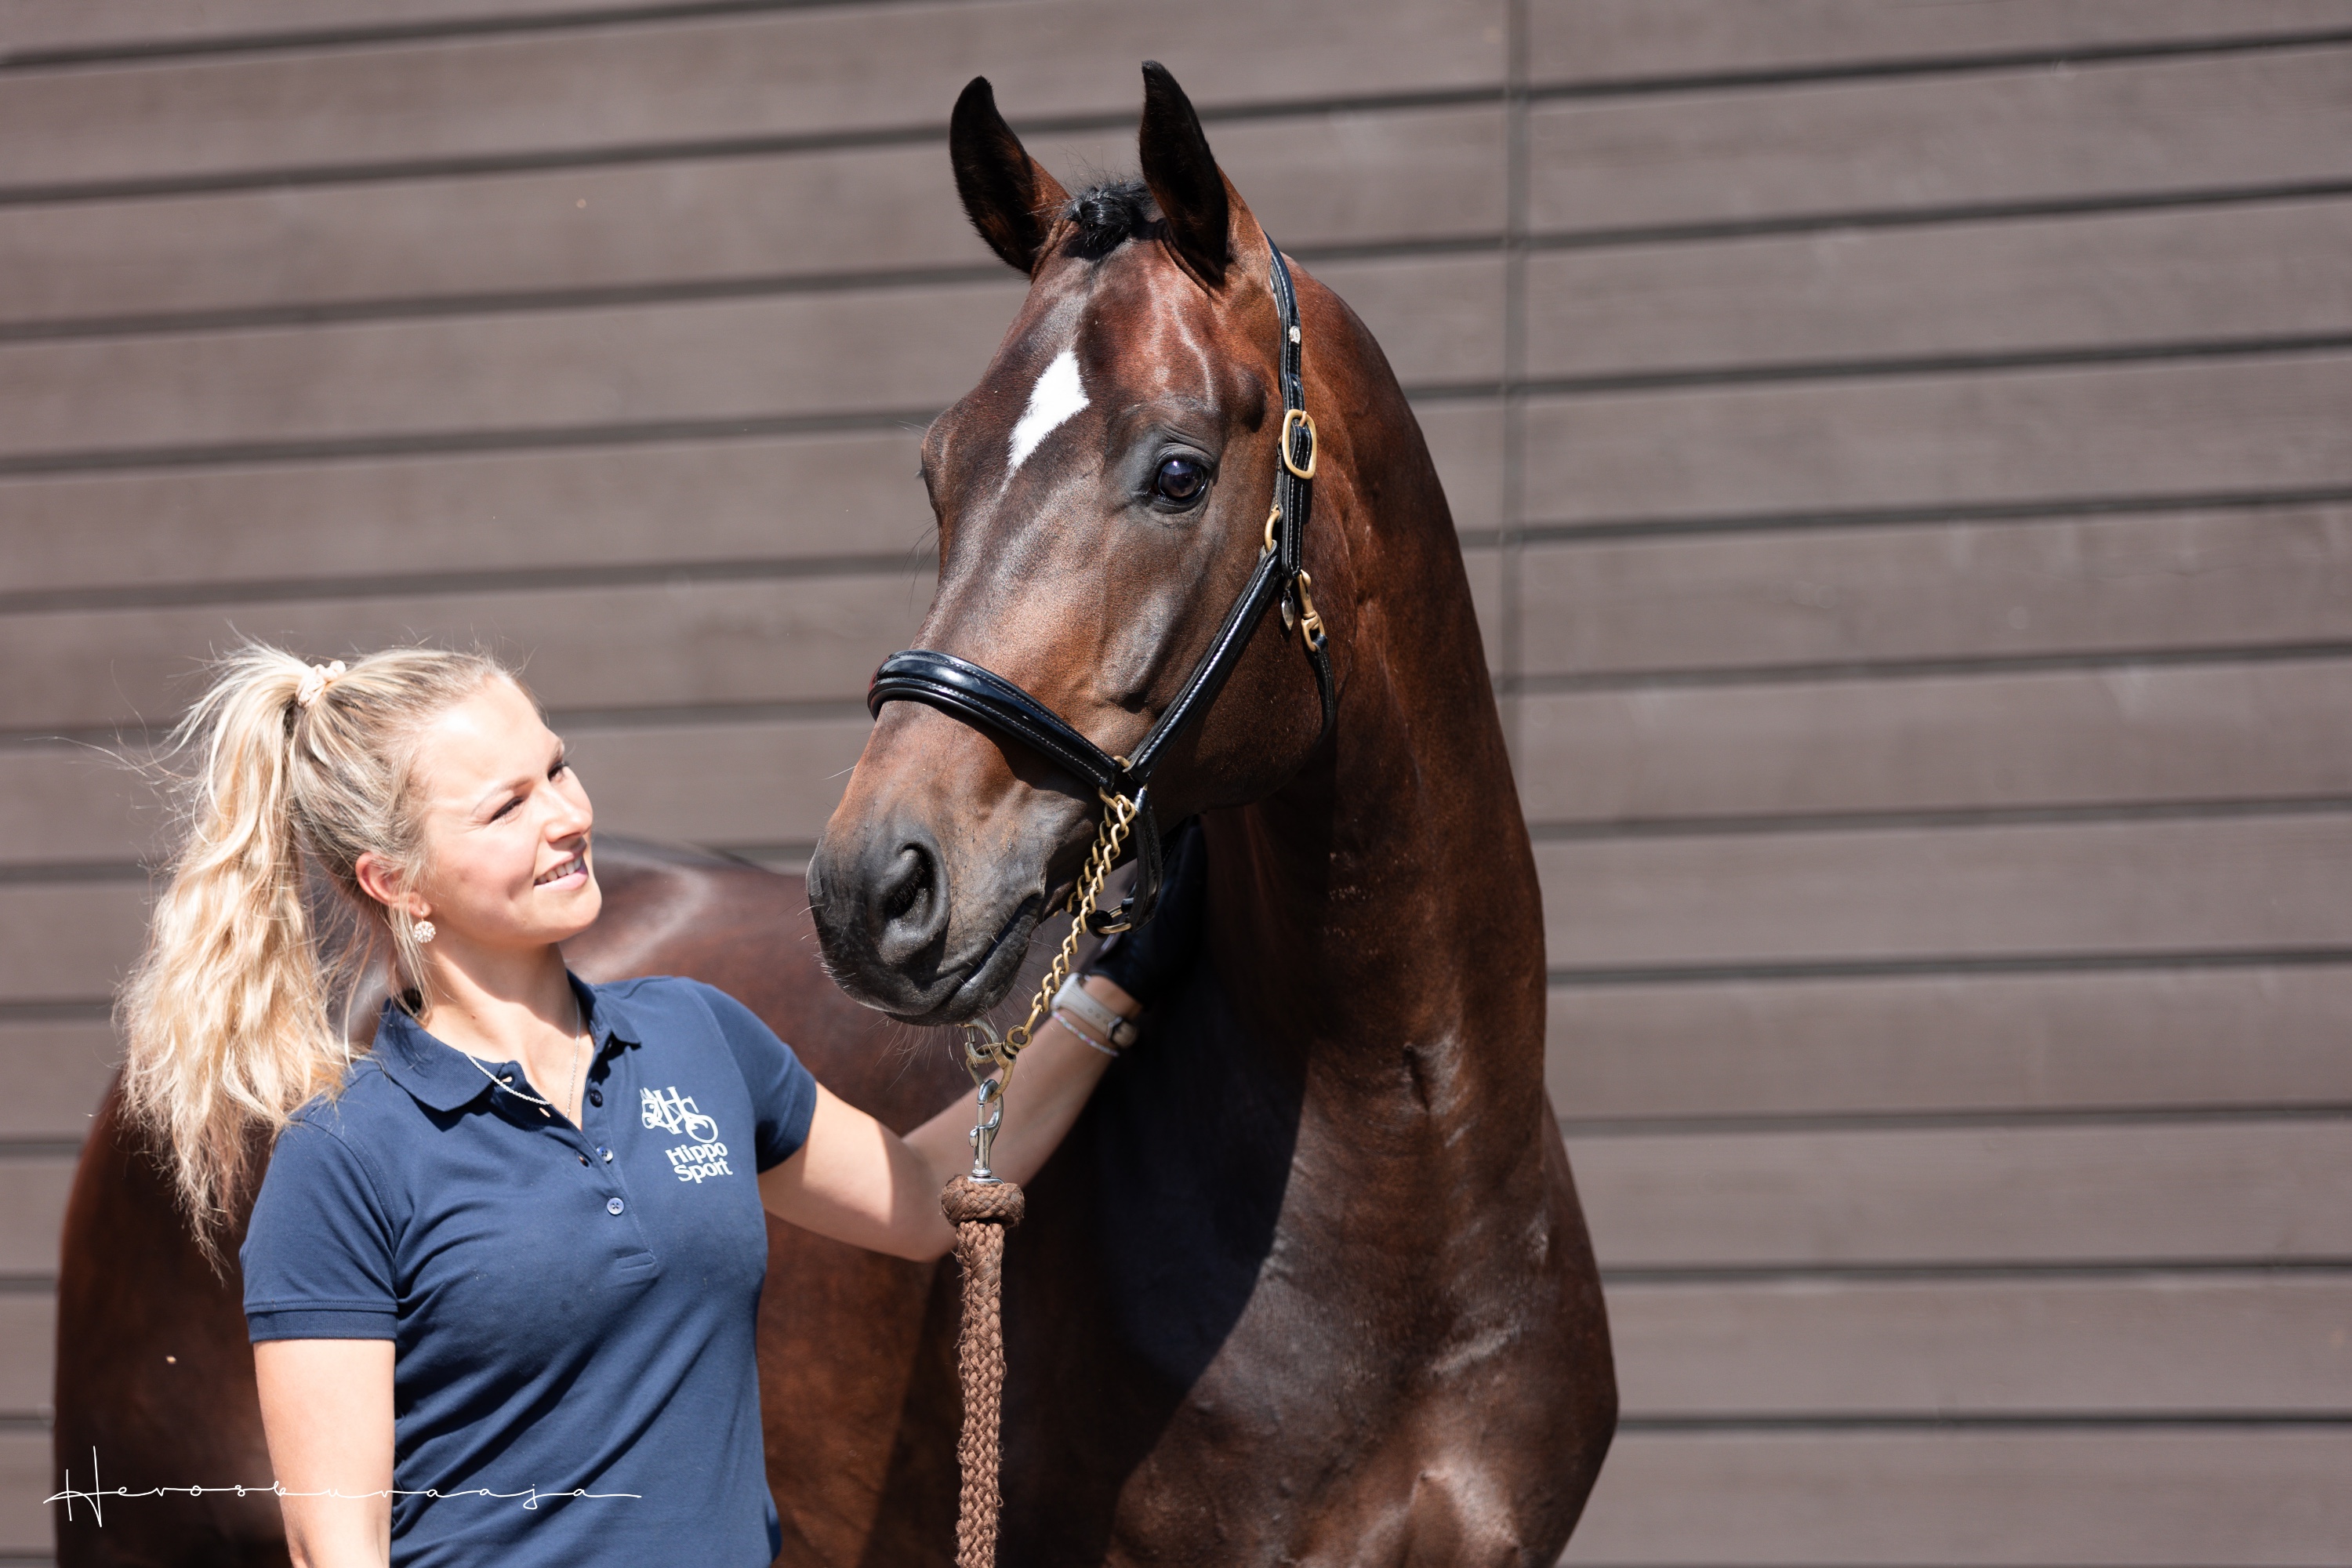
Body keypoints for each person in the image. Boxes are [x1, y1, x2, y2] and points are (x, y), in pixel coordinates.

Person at [117, 644, 1200, 1568]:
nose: (567, 817)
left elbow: (924, 1198)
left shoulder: (693, 1035)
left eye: (557, 768)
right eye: (506, 807)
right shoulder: (345, 1156)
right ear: (395, 881)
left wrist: (1112, 992)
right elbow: (335, 1548)